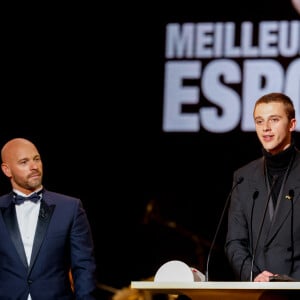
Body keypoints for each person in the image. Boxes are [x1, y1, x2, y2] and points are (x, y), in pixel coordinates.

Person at [0, 137, 97, 299]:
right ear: (7, 170)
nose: (34, 166)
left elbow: (84, 267)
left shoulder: (70, 208)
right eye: (24, 162)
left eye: (36, 159)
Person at [225, 92, 300, 282]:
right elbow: (235, 242)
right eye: (259, 121)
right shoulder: (243, 177)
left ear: (292, 124)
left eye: (274, 120)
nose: (265, 128)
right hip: (259, 291)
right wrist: (254, 275)